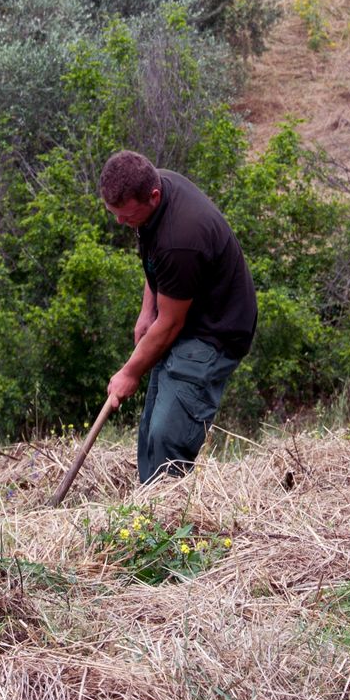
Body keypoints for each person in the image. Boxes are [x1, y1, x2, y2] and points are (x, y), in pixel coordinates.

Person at [98, 150, 256, 483]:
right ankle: (148, 505)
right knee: (151, 428)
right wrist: (147, 310)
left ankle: (167, 520)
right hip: (185, 314)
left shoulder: (181, 237)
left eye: (125, 215)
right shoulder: (157, 187)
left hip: (215, 330)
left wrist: (129, 372)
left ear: (153, 197)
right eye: (113, 213)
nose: (119, 222)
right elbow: (156, 261)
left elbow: (170, 325)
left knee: (168, 433)